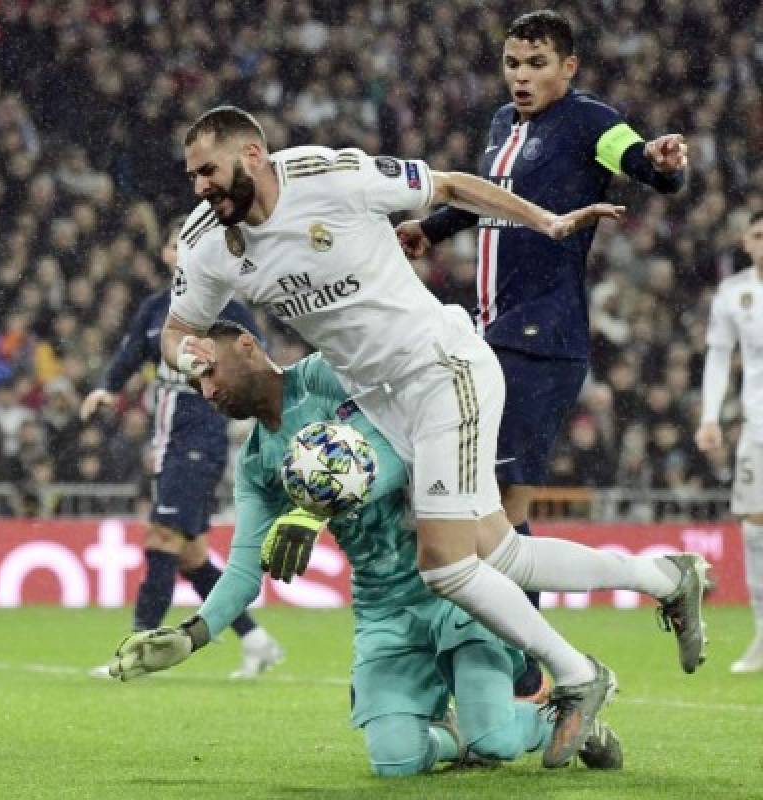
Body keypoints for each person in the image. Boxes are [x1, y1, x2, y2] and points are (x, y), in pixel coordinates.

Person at [160, 104, 710, 768]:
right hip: (388, 400)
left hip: (441, 366)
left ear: (251, 155)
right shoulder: (207, 244)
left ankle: (576, 676)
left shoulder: (328, 177)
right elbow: (175, 332)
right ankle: (665, 576)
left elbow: (448, 185)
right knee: (499, 556)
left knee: (445, 564)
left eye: (208, 171)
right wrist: (186, 358)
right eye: (192, 176)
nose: (200, 188)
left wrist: (546, 221)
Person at [107, 321, 622, 773]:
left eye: (211, 372)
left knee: (499, 740)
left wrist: (317, 507)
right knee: (394, 762)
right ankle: (454, 736)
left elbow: (406, 444)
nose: (208, 388)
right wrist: (190, 636)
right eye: (197, 383)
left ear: (247, 346)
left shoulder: (326, 376)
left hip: (452, 577)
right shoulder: (258, 464)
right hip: (383, 608)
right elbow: (244, 571)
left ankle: (558, 714)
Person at [394, 10, 688, 699]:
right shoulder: (503, 124)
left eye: (535, 65)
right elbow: (489, 199)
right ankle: (526, 664)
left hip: (543, 339)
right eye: (512, 64)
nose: (520, 77)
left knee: (502, 510)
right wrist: (432, 228)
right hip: (491, 332)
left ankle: (532, 674)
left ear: (570, 67)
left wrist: (663, 167)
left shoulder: (591, 120)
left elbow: (640, 160)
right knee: (483, 514)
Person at [82, 221, 282, 679]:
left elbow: (260, 363)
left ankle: (136, 651)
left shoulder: (228, 310)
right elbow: (132, 353)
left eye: (185, 244)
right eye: (173, 244)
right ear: (167, 255)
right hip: (169, 439)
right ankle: (256, 640)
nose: (178, 251)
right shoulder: (156, 310)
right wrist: (106, 389)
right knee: (190, 554)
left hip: (202, 437)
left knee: (162, 538)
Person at [696, 211, 763, 674]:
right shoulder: (734, 294)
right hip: (758, 427)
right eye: (759, 235)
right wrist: (709, 416)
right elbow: (719, 359)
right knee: (755, 529)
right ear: (745, 240)